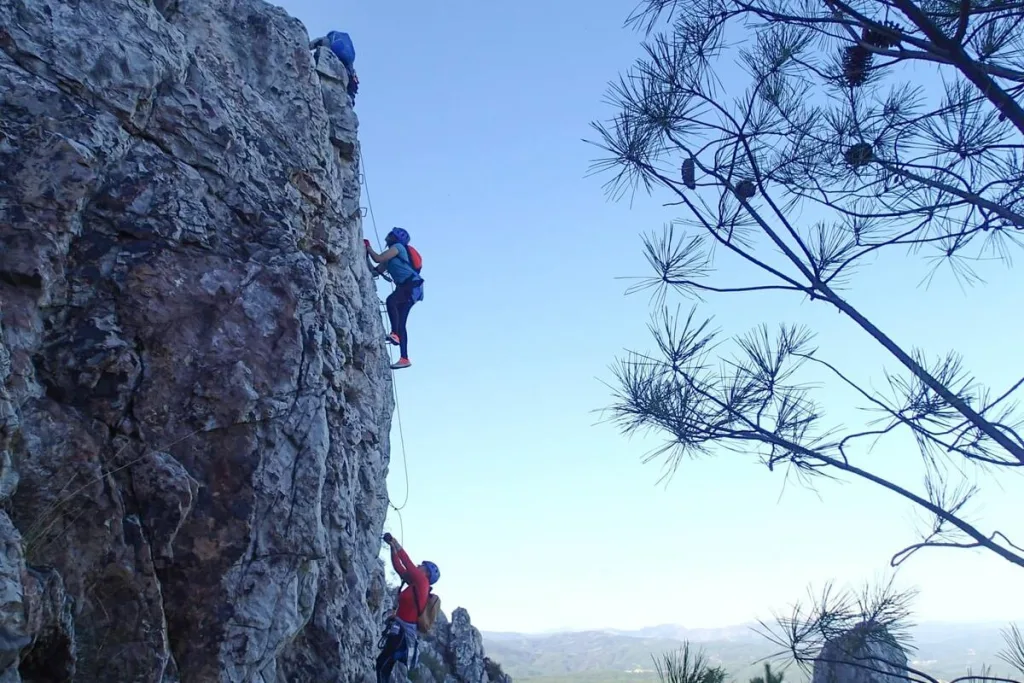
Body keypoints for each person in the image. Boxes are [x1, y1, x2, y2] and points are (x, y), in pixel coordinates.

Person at [376, 533, 440, 683]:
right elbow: (399, 567)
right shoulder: (414, 584)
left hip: (402, 634)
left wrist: (395, 542)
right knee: (384, 666)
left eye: (422, 566)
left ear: (427, 573)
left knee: (382, 665)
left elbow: (408, 563)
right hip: (399, 630)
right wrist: (392, 548)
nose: (419, 566)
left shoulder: (422, 583)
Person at [365, 228, 423, 370]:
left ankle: (395, 334)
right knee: (401, 321)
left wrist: (367, 247)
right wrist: (365, 254)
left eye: (391, 235)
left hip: (410, 286)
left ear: (395, 238)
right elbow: (375, 270)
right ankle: (404, 358)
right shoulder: (390, 259)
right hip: (412, 288)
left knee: (392, 301)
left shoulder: (397, 248)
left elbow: (378, 258)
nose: (387, 237)